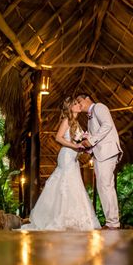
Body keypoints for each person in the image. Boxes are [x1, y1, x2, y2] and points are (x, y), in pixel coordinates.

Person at [21, 97, 100, 231]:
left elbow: (78, 141)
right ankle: (59, 217)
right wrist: (75, 146)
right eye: (75, 104)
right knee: (65, 183)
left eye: (77, 103)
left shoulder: (76, 122)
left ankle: (72, 218)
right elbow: (58, 137)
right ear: (70, 108)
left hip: (73, 157)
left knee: (74, 184)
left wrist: (82, 147)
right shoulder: (67, 120)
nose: (78, 105)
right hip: (66, 155)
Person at [75, 93, 122, 229]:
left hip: (107, 151)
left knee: (106, 186)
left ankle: (113, 223)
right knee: (103, 186)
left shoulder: (99, 107)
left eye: (80, 101)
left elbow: (107, 125)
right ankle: (111, 221)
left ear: (88, 98)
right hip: (100, 153)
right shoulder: (89, 118)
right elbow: (95, 139)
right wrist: (87, 147)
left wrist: (91, 140)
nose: (79, 104)